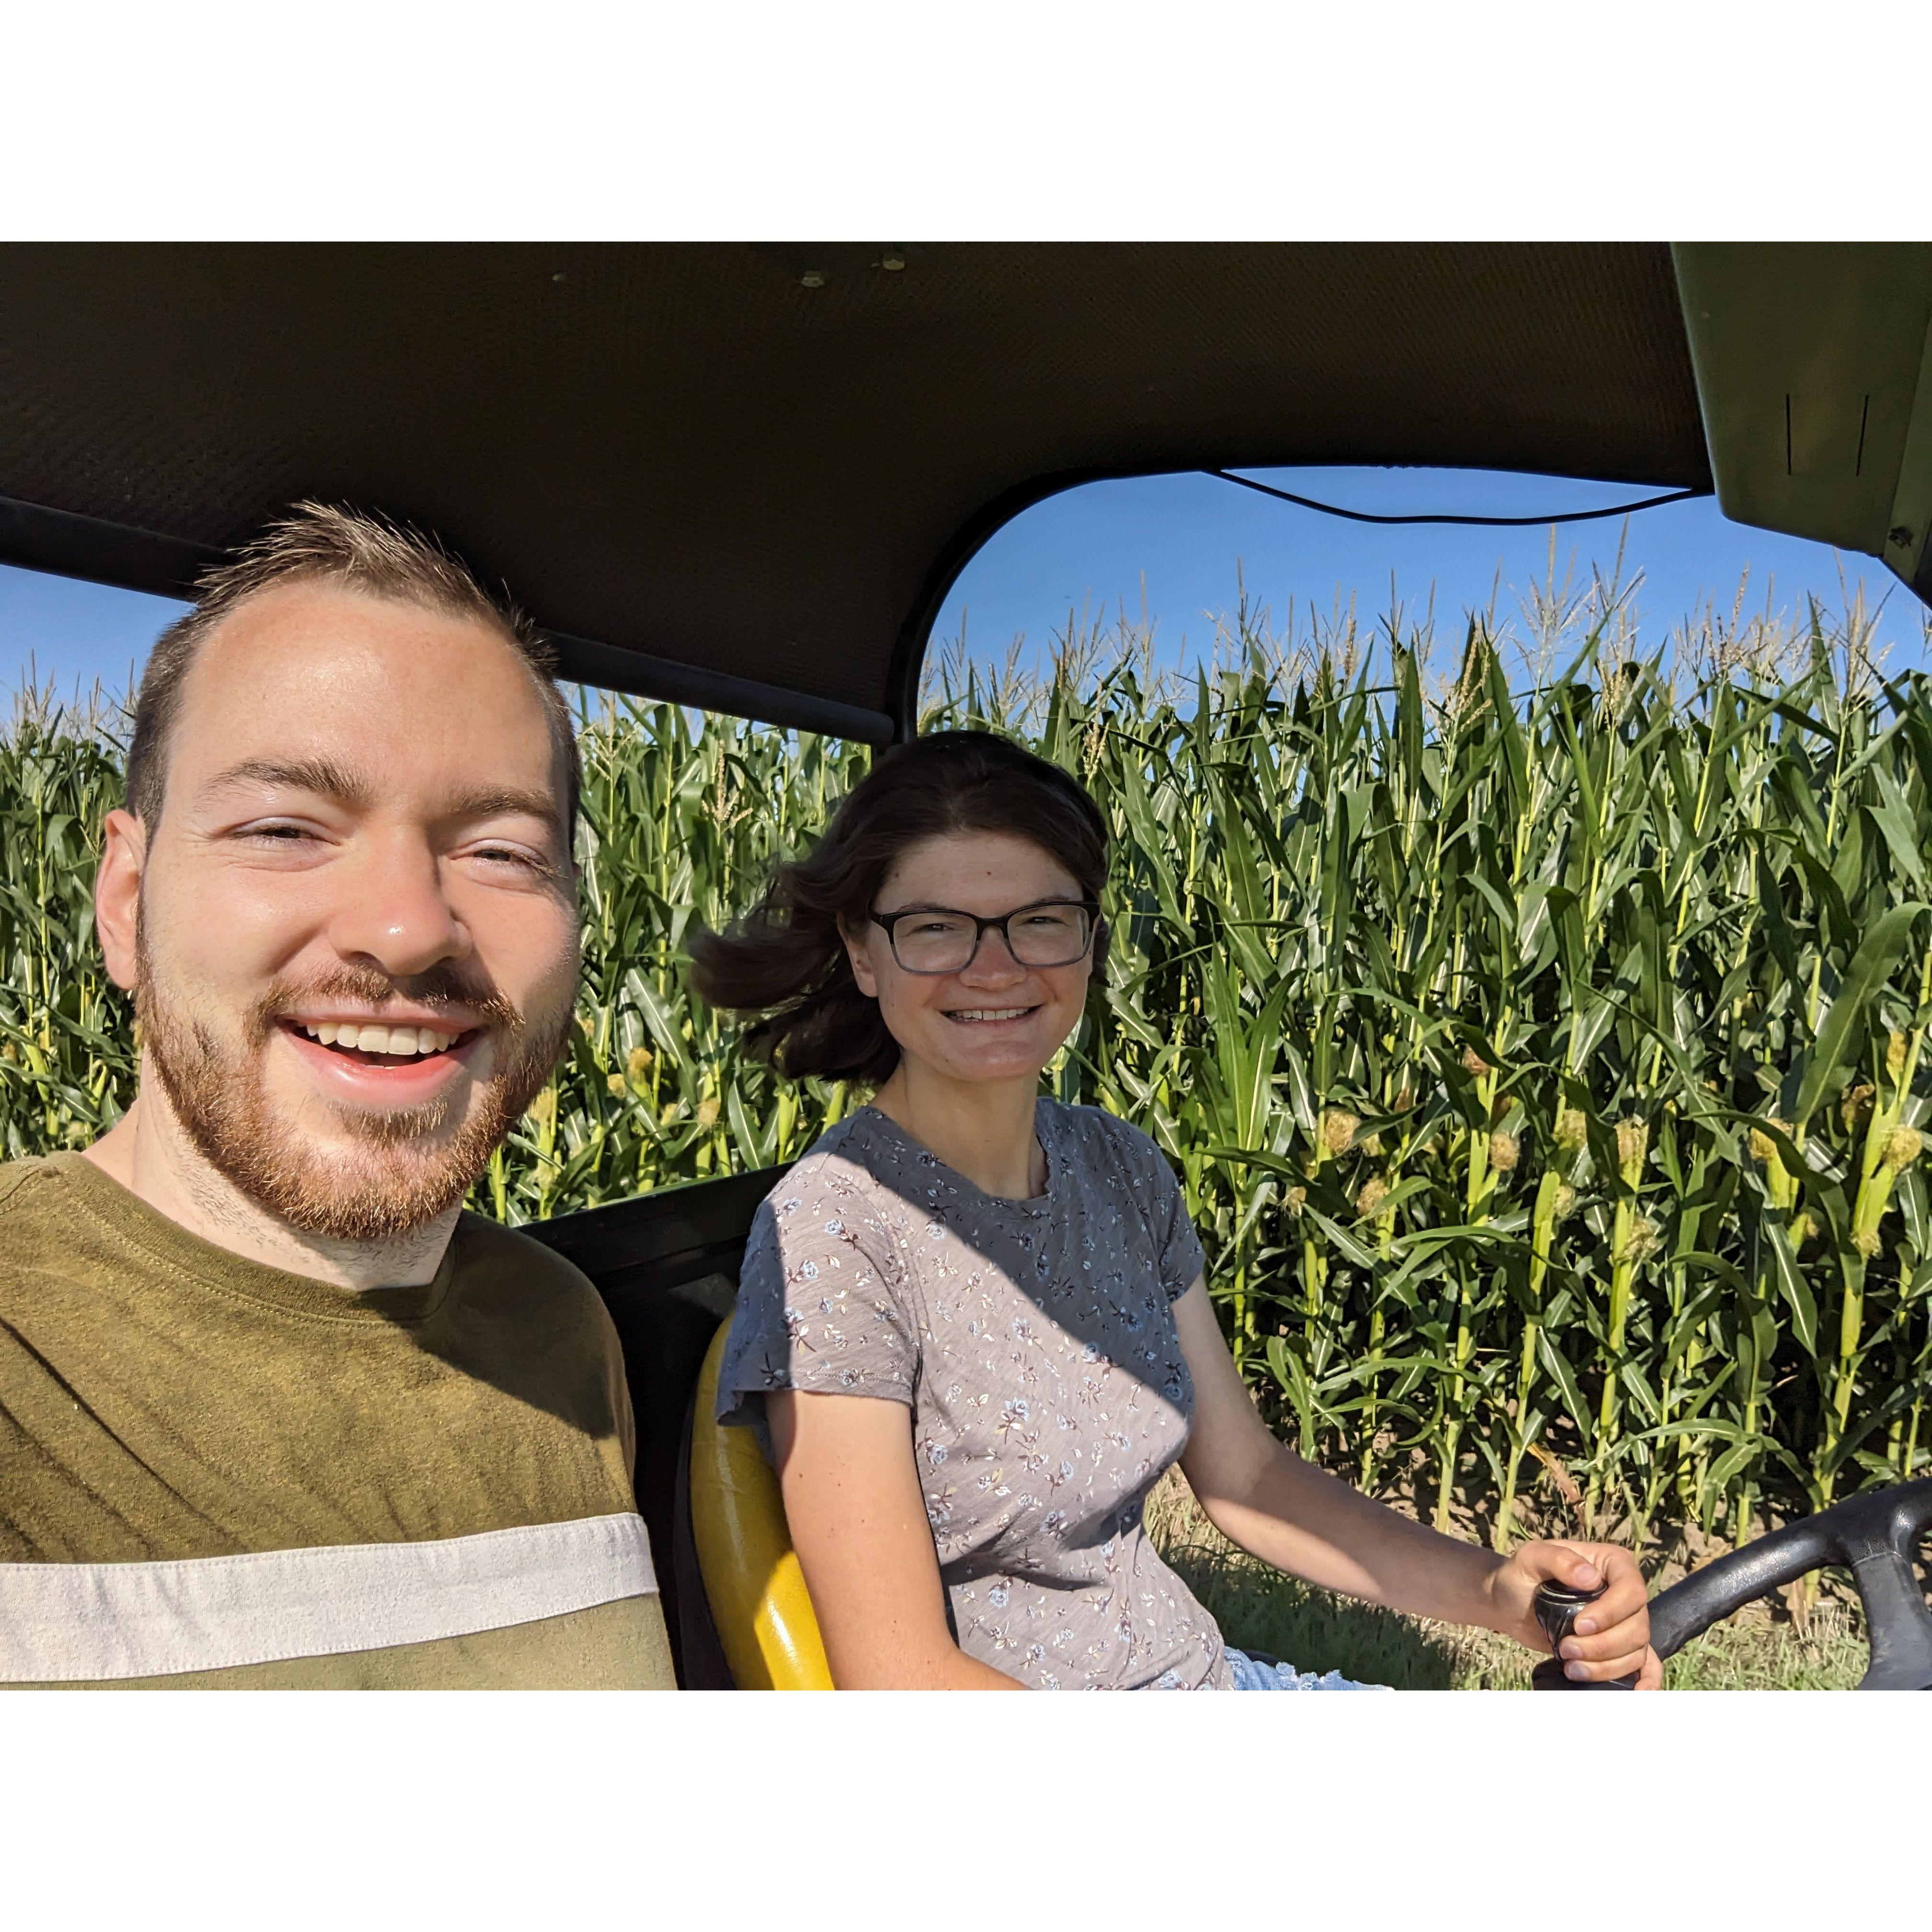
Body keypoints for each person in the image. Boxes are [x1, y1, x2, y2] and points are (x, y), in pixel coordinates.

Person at [693, 731, 1660, 1690]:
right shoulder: (837, 1231)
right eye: (936, 927)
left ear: (1088, 938)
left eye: (1039, 919)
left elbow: (1246, 1480)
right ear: (865, 954)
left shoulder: (1118, 1168)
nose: (994, 968)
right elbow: (902, 1682)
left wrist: (1496, 1589)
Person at [0, 504, 673, 1689]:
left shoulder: (562, 1333)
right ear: (124, 898)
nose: (409, 930)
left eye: (503, 851)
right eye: (284, 827)